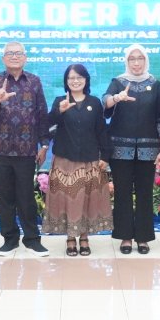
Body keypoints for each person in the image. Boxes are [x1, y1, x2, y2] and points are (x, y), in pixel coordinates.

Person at [0, 41, 50, 257]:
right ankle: (10, 240)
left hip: (26, 151)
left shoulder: (34, 82)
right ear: (3, 58)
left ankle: (32, 240)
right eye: (10, 53)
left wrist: (44, 145)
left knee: (26, 198)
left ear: (25, 57)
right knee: (4, 198)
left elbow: (42, 114)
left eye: (18, 53)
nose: (14, 56)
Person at [103, 44, 160, 255]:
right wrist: (117, 98)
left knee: (145, 193)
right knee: (122, 193)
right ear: (126, 61)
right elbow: (105, 103)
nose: (136, 62)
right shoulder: (118, 82)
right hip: (120, 148)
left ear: (146, 60)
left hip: (148, 149)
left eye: (140, 58)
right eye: (132, 58)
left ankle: (143, 237)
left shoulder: (155, 84)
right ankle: (125, 236)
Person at [46, 64, 112, 256]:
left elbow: (101, 131)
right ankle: (70, 237)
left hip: (89, 160)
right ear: (66, 81)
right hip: (65, 160)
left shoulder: (95, 102)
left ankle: (84, 237)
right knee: (68, 199)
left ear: (86, 80)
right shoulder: (60, 101)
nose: (75, 81)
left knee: (86, 200)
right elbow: (48, 124)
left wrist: (105, 156)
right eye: (71, 78)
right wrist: (59, 111)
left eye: (79, 77)